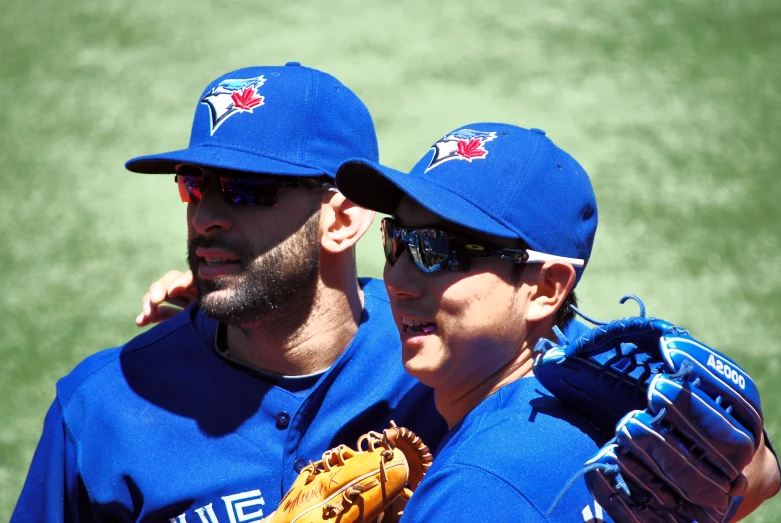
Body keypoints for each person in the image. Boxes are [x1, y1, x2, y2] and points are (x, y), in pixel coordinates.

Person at [11, 64, 447, 523]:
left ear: (341, 220)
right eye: (194, 184)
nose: (203, 219)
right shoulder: (99, 408)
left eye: (245, 189)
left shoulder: (442, 363)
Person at [333, 123, 781, 521]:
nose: (397, 280)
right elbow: (762, 471)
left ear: (547, 288)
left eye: (439, 252)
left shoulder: (480, 488)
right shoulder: (614, 390)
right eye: (398, 241)